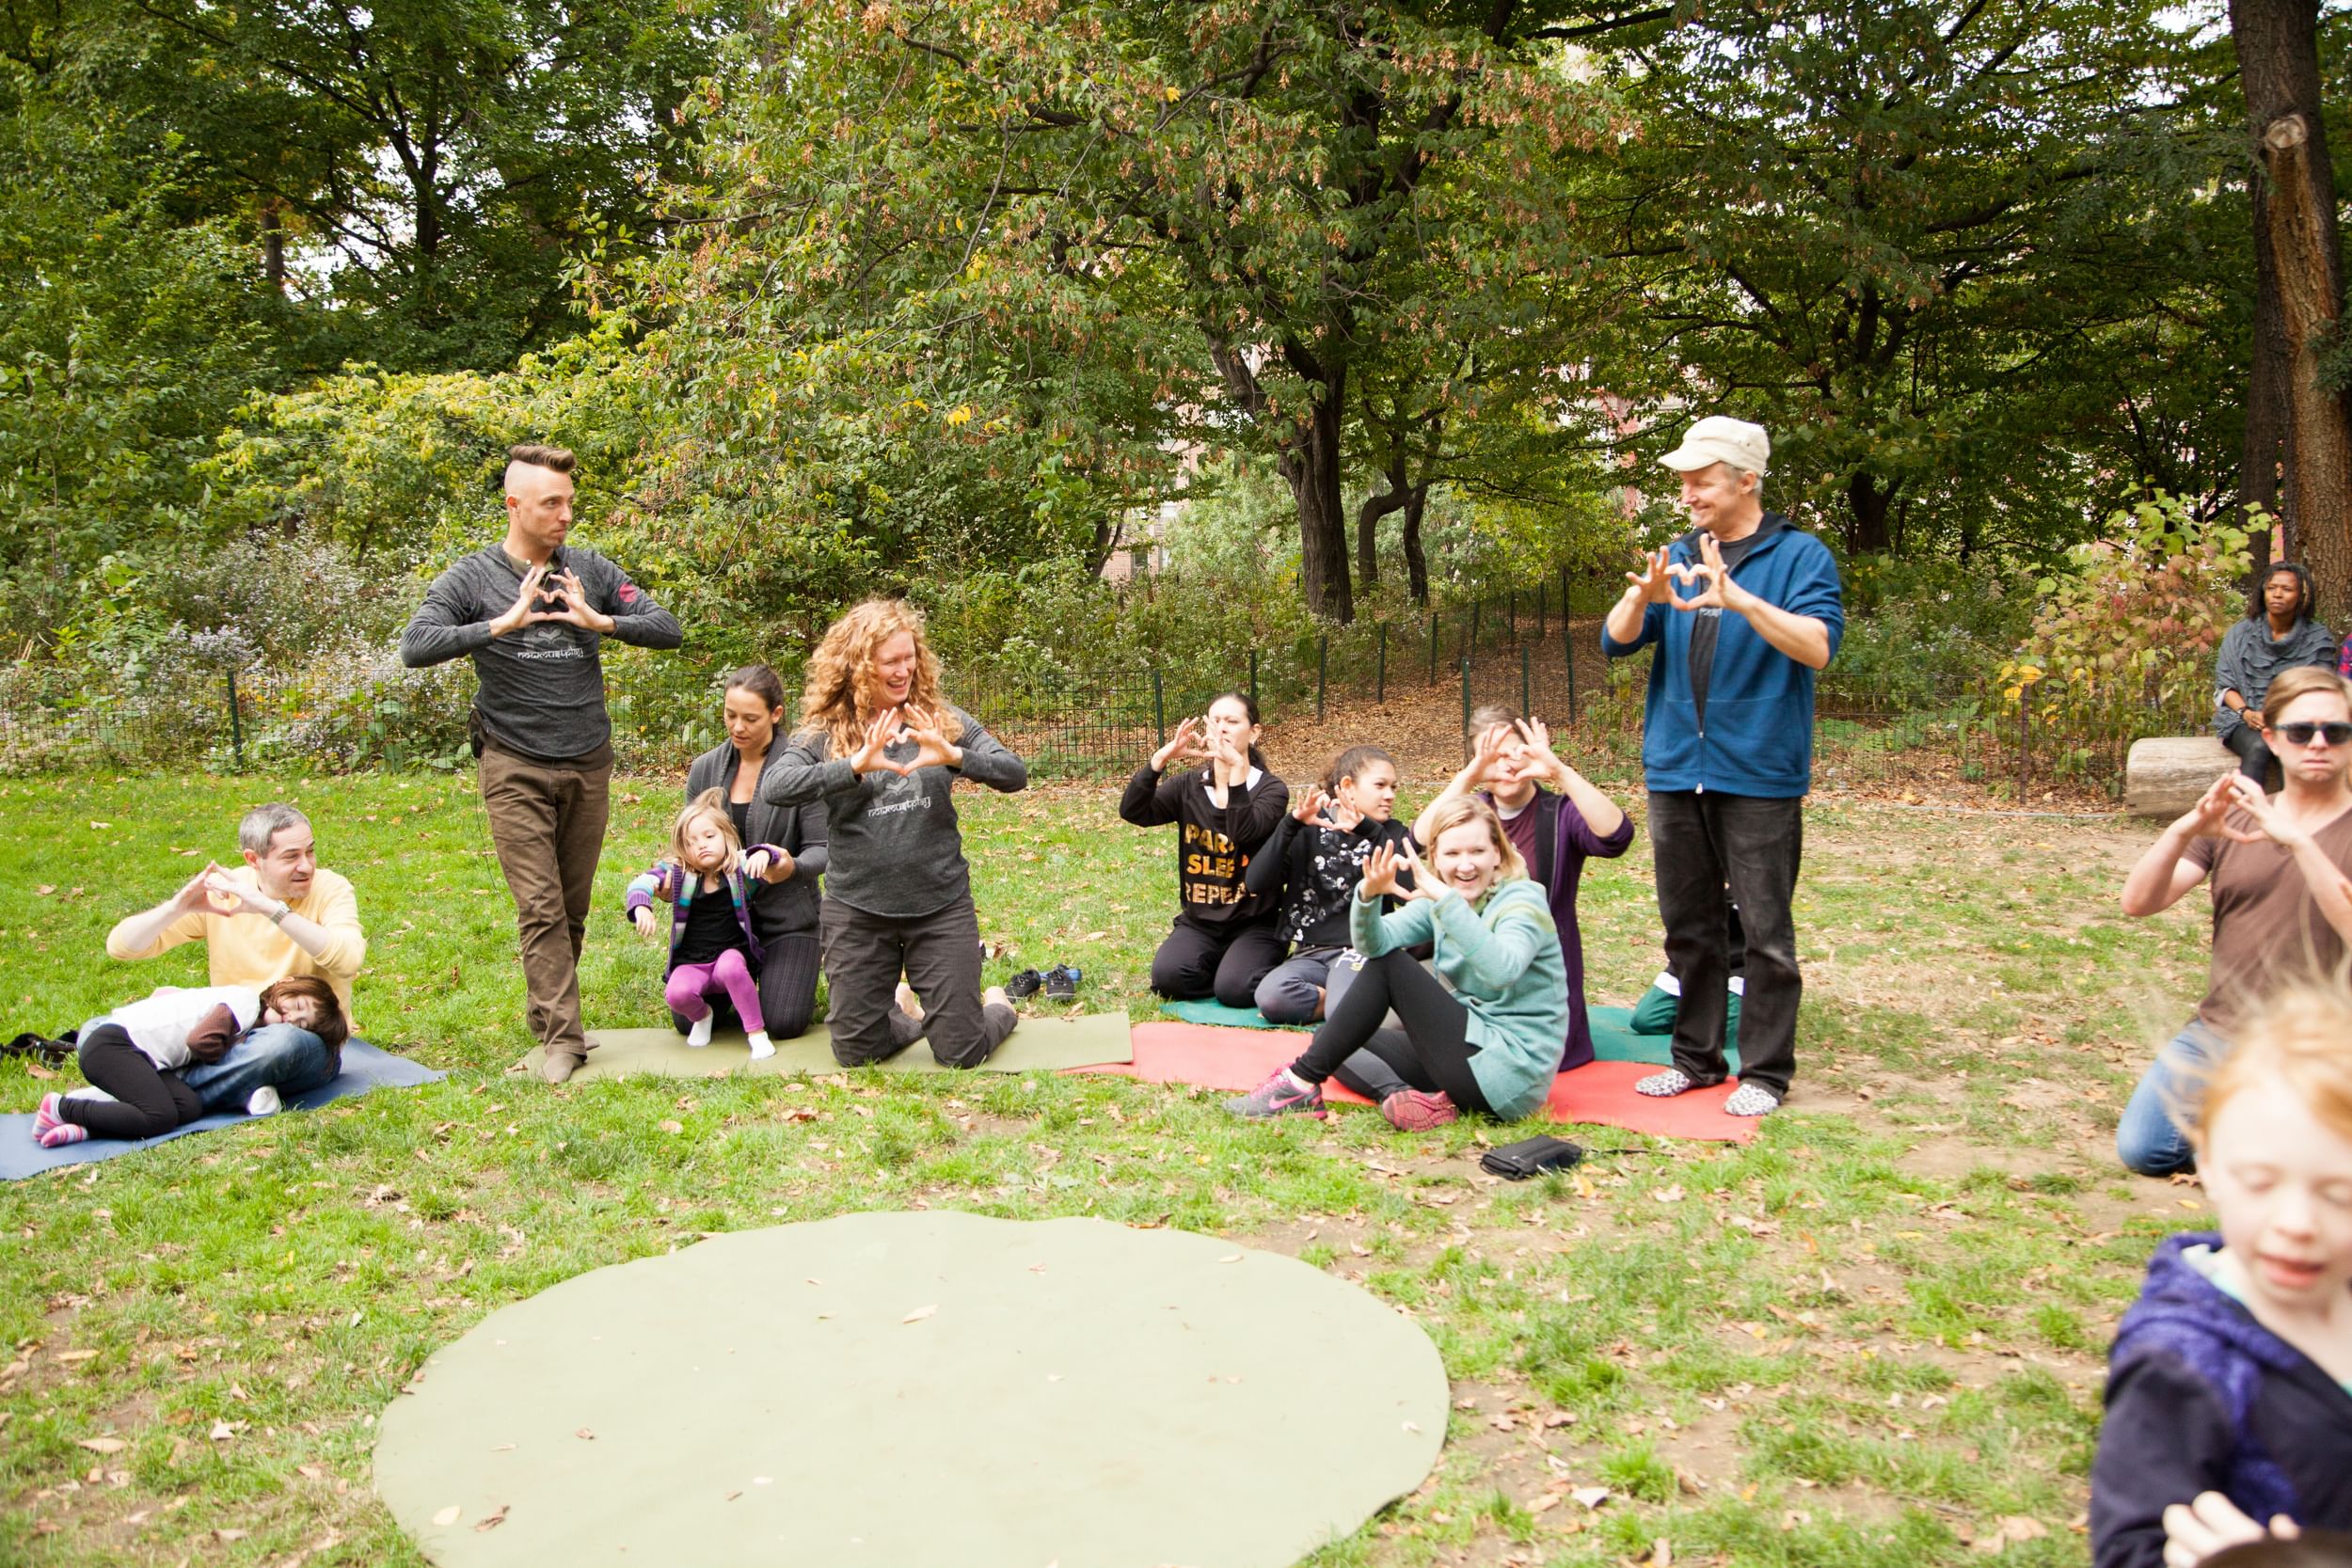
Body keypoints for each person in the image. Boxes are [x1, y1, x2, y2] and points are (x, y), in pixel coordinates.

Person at [398, 443, 683, 1084]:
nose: (565, 515)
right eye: (552, 503)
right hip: (514, 762)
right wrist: (498, 625)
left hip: (588, 761)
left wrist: (601, 620)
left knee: (572, 905)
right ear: (515, 504)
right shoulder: (472, 579)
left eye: (569, 502)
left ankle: (548, 1013)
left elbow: (668, 627)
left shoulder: (591, 570)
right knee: (540, 905)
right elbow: (415, 645)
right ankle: (563, 1038)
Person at [1602, 414, 1843, 1117]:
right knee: (1689, 926)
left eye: (1702, 480)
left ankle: (1764, 1073)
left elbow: (1818, 647)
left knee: (1766, 933)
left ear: (1746, 479)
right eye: (1683, 481)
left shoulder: (1802, 558)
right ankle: (1696, 1061)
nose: (1689, 493)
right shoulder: (1679, 551)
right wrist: (1637, 597)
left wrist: (1736, 596)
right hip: (1677, 769)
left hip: (1759, 773)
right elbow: (1616, 643)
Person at [2090, 982, 2352, 1568]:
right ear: (2206, 1158)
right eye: (2260, 1183)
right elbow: (2130, 1548)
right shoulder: (2183, 1362)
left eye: (2341, 1195)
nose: (2297, 1223)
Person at [762, 599, 1025, 1068]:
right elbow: (777, 786)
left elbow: (1014, 773)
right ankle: (904, 1009)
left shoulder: (939, 720)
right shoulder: (828, 732)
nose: (904, 670)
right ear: (861, 666)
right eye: (890, 661)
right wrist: (854, 765)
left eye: (910, 658)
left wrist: (955, 756)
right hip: (857, 909)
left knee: (962, 1053)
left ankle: (997, 1007)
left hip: (939, 904)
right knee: (855, 1052)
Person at [2116, 665, 2352, 1176]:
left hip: (2328, 1040)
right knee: (2145, 1149)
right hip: (2222, 1030)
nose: (2317, 742)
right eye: (2300, 730)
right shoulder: (2238, 817)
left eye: (2335, 731)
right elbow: (2137, 902)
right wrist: (2183, 829)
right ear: (2270, 737)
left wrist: (2296, 841)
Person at [1222, 796, 1567, 1130]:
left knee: (1390, 967)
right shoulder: (1444, 902)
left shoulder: (1521, 902)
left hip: (1509, 1076)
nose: (1465, 864)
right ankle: (1403, 1097)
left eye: (1477, 851)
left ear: (1498, 854)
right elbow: (1372, 945)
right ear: (1435, 858)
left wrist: (1446, 899)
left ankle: (1297, 1085)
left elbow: (1502, 970)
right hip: (1472, 1055)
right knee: (1333, 1035)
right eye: (1452, 853)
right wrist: (1370, 896)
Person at [103, 802, 365, 1116]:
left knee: (282, 1044)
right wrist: (176, 908)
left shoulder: (330, 889)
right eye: (291, 857)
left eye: (310, 851)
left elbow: (348, 960)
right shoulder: (228, 892)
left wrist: (271, 909)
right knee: (121, 1028)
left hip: (306, 1042)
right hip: (226, 1040)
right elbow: (121, 947)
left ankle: (153, 1095)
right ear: (254, 860)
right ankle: (230, 1089)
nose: (306, 865)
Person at [1411, 706, 1632, 1069]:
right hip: (1470, 977)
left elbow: (1617, 837)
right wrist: (1468, 777)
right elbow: (1420, 838)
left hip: (1537, 986)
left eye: (1515, 753)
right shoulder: (1470, 811)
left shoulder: (1559, 813)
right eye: (1492, 757)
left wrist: (1560, 772)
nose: (1507, 766)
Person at [681, 664, 828, 1039]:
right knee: (687, 1020)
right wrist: (674, 878)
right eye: (730, 715)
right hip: (718, 928)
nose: (737, 727)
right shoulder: (705, 770)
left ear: (776, 714)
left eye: (750, 718)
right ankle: (735, 977)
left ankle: (775, 973)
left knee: (783, 1023)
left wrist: (790, 866)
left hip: (787, 920)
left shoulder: (802, 767)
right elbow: (687, 845)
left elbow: (822, 850)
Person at [1120, 692, 1291, 1006]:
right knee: (1169, 978)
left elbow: (1243, 831)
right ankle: (1227, 966)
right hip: (1201, 922)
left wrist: (1234, 773)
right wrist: (1159, 762)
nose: (1221, 728)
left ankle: (1242, 968)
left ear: (1254, 732)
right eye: (1215, 720)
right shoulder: (1189, 785)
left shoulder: (1271, 790)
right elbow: (1134, 812)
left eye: (1232, 721)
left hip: (1255, 922)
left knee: (1235, 991)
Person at [32, 978, 346, 1148]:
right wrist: (226, 1053)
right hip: (115, 1045)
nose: (291, 1018)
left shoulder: (251, 1020)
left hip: (148, 1059)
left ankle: (88, 1125)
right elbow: (200, 1041)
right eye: (297, 1006)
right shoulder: (245, 1003)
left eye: (301, 1024)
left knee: (189, 1107)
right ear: (284, 985)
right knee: (161, 1117)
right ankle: (61, 1109)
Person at [1241, 744, 1416, 1024]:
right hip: (1310, 955)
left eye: (1394, 787)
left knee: (1344, 1015)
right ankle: (1340, 998)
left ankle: (1346, 1000)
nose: (1390, 795)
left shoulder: (1391, 832)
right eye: (1381, 785)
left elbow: (1410, 893)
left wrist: (1370, 832)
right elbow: (1256, 882)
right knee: (1272, 997)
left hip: (1360, 954)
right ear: (1347, 786)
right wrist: (1291, 824)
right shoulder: (1310, 828)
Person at [624, 788, 791, 1060]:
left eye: (709, 836)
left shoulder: (738, 870)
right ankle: (704, 1016)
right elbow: (643, 881)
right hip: (692, 961)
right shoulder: (679, 873)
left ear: (727, 836)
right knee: (676, 994)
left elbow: (773, 855)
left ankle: (756, 1033)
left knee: (732, 968)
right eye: (691, 842)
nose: (701, 845)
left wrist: (764, 854)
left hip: (731, 954)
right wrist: (642, 904)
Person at [2217, 563, 2335, 784]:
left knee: (2290, 746)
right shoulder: (2240, 634)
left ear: (2301, 596)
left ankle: (2294, 816)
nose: (2277, 594)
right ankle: (2244, 815)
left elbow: (2320, 692)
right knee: (2259, 745)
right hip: (2245, 721)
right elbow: (2225, 687)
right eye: (2271, 588)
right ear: (2263, 592)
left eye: (2287, 589)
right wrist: (2247, 713)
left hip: (2299, 721)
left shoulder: (2317, 638)